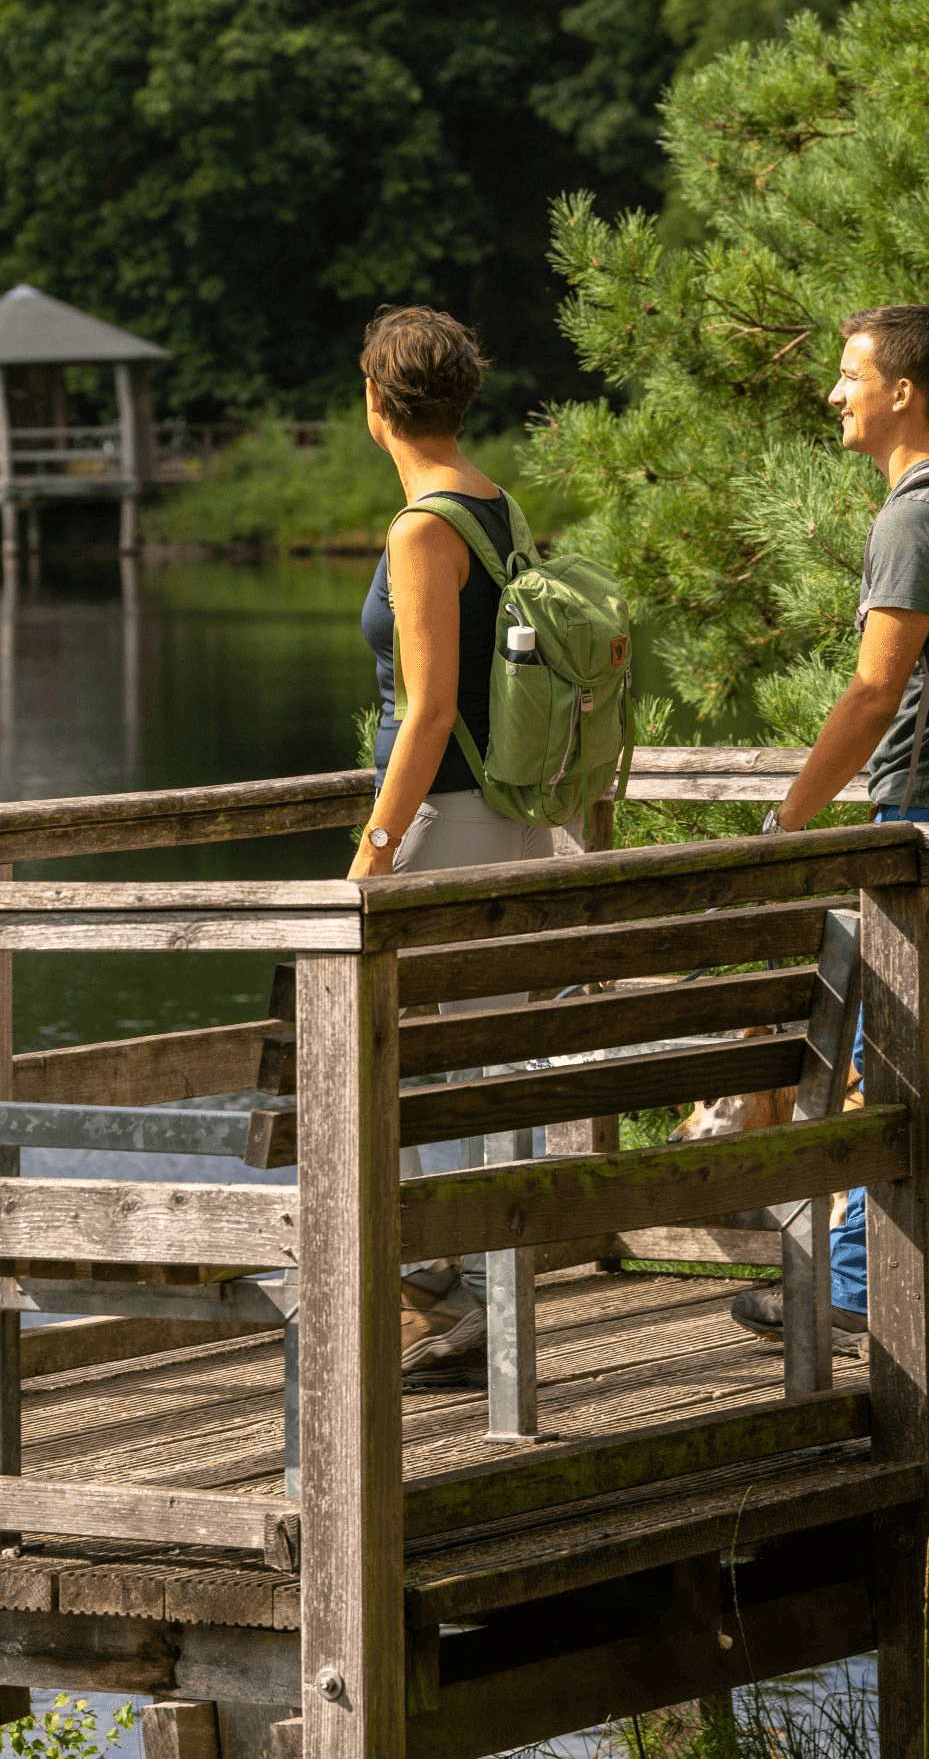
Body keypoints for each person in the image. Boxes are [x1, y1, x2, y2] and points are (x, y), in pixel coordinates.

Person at [730, 303, 929, 1375]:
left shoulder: (919, 517)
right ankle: (864, 1288)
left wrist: (788, 818)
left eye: (849, 372)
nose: (835, 392)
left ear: (902, 391)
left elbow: (873, 692)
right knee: (905, 1061)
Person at [346, 304, 582, 1389]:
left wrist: (375, 847)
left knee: (349, 1059)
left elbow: (430, 709)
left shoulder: (421, 528)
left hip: (444, 821)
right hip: (513, 822)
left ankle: (443, 1281)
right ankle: (480, 1294)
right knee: (483, 1070)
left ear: (372, 402)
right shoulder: (497, 505)